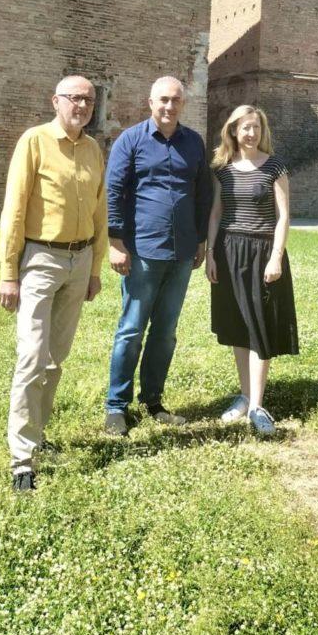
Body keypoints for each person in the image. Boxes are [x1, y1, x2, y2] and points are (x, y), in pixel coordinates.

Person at [0, 75, 107, 491]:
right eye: (74, 98)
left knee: (54, 358)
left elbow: (100, 211)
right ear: (56, 101)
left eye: (89, 100)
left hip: (79, 262)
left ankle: (38, 434)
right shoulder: (35, 141)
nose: (82, 105)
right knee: (30, 356)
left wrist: (95, 268)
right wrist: (9, 272)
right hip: (40, 258)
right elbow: (14, 207)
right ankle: (21, 458)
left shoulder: (94, 148)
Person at [104, 76, 213, 435]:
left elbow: (202, 195)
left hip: (182, 253)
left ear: (184, 104)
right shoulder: (131, 140)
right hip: (142, 252)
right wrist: (115, 242)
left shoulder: (194, 143)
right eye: (163, 100)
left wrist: (200, 241)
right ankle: (116, 406)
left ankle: (152, 400)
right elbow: (114, 191)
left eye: (176, 100)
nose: (169, 106)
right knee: (131, 330)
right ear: (150, 102)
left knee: (165, 332)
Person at [206, 104, 298, 435]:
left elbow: (284, 216)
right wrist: (211, 253)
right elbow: (216, 213)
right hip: (230, 252)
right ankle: (244, 395)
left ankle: (258, 406)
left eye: (256, 127)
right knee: (238, 326)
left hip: (262, 253)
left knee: (260, 326)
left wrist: (276, 257)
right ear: (233, 130)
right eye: (245, 127)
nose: (251, 133)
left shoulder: (274, 166)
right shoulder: (223, 168)